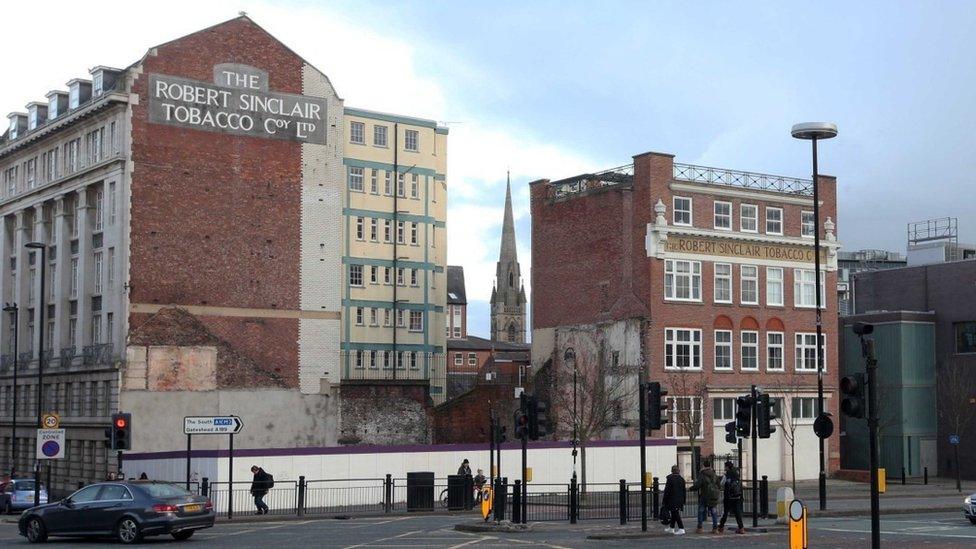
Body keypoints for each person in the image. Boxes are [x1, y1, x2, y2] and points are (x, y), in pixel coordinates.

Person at [692, 460, 720, 533]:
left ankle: (700, 528)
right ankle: (715, 528)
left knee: (701, 511)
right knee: (714, 512)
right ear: (710, 465)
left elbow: (698, 485)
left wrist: (691, 488)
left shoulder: (702, 474)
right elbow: (719, 485)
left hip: (704, 496)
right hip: (713, 496)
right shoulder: (714, 474)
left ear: (703, 465)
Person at [718, 462, 745, 534]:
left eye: (725, 466)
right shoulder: (736, 474)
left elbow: (722, 484)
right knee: (737, 512)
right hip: (737, 496)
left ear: (727, 467)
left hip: (728, 496)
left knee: (725, 512)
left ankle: (721, 527)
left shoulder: (726, 475)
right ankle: (741, 528)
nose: (724, 468)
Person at [660, 465, 686, 535]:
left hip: (672, 500)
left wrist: (664, 500)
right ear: (678, 471)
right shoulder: (682, 479)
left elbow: (667, 491)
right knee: (674, 513)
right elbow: (684, 491)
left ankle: (681, 528)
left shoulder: (670, 479)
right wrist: (684, 501)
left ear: (672, 471)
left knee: (675, 514)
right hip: (680, 500)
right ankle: (671, 528)